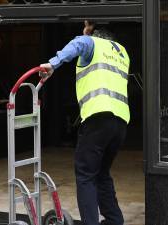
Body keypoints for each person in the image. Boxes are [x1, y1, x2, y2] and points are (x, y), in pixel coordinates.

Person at [40, 21, 130, 225]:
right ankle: (114, 220)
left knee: (86, 175)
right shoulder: (122, 52)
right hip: (120, 123)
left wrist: (52, 64)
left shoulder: (90, 42)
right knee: (102, 173)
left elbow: (79, 43)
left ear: (91, 29)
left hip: (98, 117)